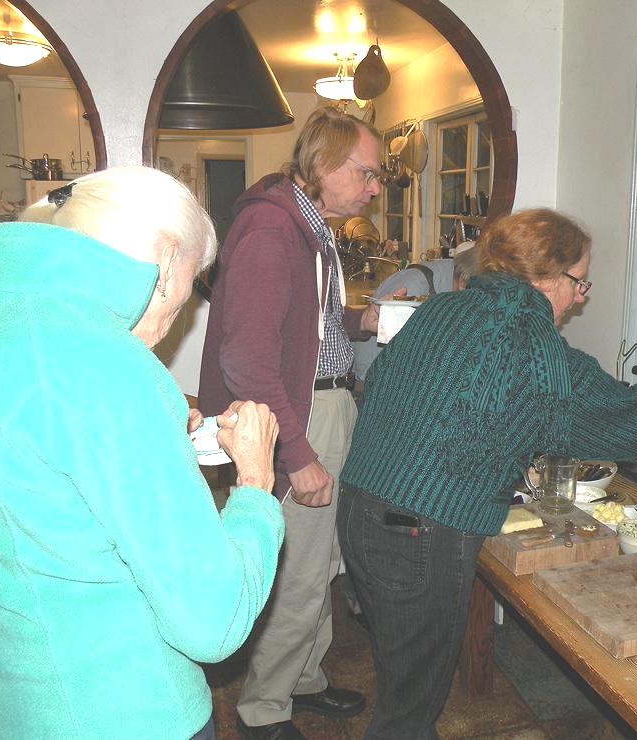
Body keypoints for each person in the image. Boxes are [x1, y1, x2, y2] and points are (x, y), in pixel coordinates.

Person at [337, 208, 637, 739]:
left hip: (364, 505)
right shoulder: (527, 336)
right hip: (421, 530)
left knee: (401, 676)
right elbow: (609, 414)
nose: (581, 295)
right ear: (546, 277)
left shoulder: (445, 308)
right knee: (410, 707)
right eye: (578, 280)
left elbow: (411, 391)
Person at [0, 166, 286, 740]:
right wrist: (255, 485)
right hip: (129, 713)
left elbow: (29, 486)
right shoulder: (109, 364)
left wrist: (156, 445)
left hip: (11, 705)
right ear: (165, 263)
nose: (175, 317)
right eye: (189, 287)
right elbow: (214, 620)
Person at [198, 107, 385, 740]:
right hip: (298, 413)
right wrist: (297, 454)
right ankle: (263, 710)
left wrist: (366, 322)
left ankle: (304, 678)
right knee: (298, 568)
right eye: (367, 172)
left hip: (323, 402)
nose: (374, 186)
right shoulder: (272, 230)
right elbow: (247, 356)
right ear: (328, 164)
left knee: (322, 558)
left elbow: (303, 323)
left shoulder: (309, 225)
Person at [351, 241, 481, 381]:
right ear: (462, 282)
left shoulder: (448, 278)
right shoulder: (414, 288)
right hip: (372, 379)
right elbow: (398, 355)